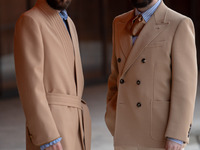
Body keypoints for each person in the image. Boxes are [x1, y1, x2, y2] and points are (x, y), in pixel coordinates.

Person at [105, 0, 197, 149]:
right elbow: (115, 76)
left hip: (159, 134)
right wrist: (112, 115)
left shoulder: (179, 23)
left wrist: (177, 135)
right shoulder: (119, 22)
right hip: (125, 130)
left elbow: (185, 86)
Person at [14, 0, 91, 150]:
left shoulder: (69, 22)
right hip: (54, 128)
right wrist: (47, 135)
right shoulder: (31, 20)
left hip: (76, 124)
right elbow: (30, 85)